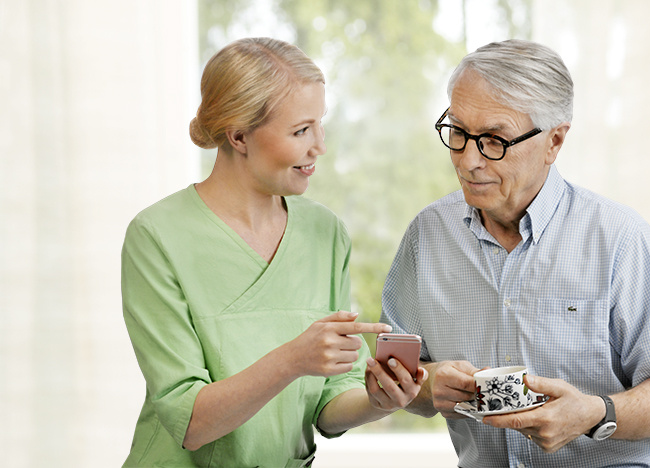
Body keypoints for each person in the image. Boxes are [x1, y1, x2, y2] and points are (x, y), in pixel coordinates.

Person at [380, 39, 650, 468]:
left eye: (494, 139)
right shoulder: (427, 236)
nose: (468, 160)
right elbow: (398, 383)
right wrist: (424, 385)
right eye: (457, 132)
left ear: (555, 141)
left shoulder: (618, 237)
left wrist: (595, 413)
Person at [121, 37, 426, 467]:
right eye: (301, 130)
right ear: (239, 135)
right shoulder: (156, 236)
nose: (319, 145)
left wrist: (380, 401)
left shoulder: (326, 232)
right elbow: (189, 423)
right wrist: (292, 359)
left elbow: (330, 402)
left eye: (320, 125)